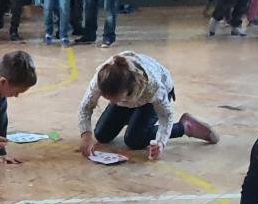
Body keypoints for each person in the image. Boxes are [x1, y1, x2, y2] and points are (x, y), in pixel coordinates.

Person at [76, 51, 218, 161]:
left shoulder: (152, 87)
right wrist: (86, 135)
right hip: (126, 97)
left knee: (134, 139)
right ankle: (133, 118)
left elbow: (165, 115)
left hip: (151, 98)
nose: (111, 102)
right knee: (101, 134)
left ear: (127, 91)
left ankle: (185, 126)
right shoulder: (101, 79)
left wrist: (161, 142)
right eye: (107, 98)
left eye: (114, 98)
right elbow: (85, 107)